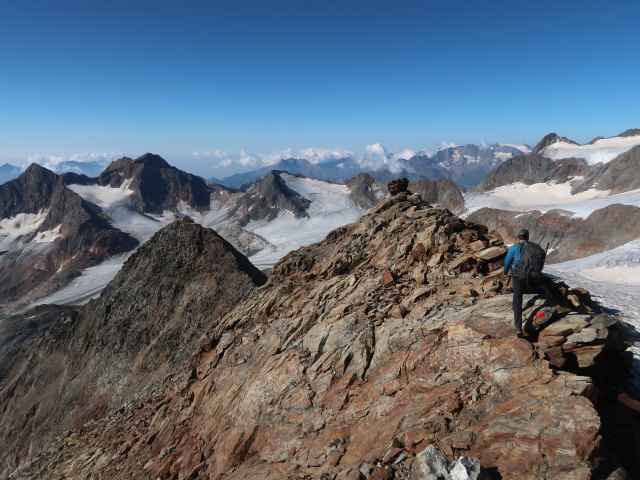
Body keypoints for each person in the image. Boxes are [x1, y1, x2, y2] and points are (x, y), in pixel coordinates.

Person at [504, 229, 530, 338]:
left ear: (519, 237)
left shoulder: (515, 247)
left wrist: (505, 271)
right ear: (528, 237)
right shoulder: (533, 247)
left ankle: (518, 327)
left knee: (517, 299)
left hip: (517, 275)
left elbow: (507, 261)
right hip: (530, 275)